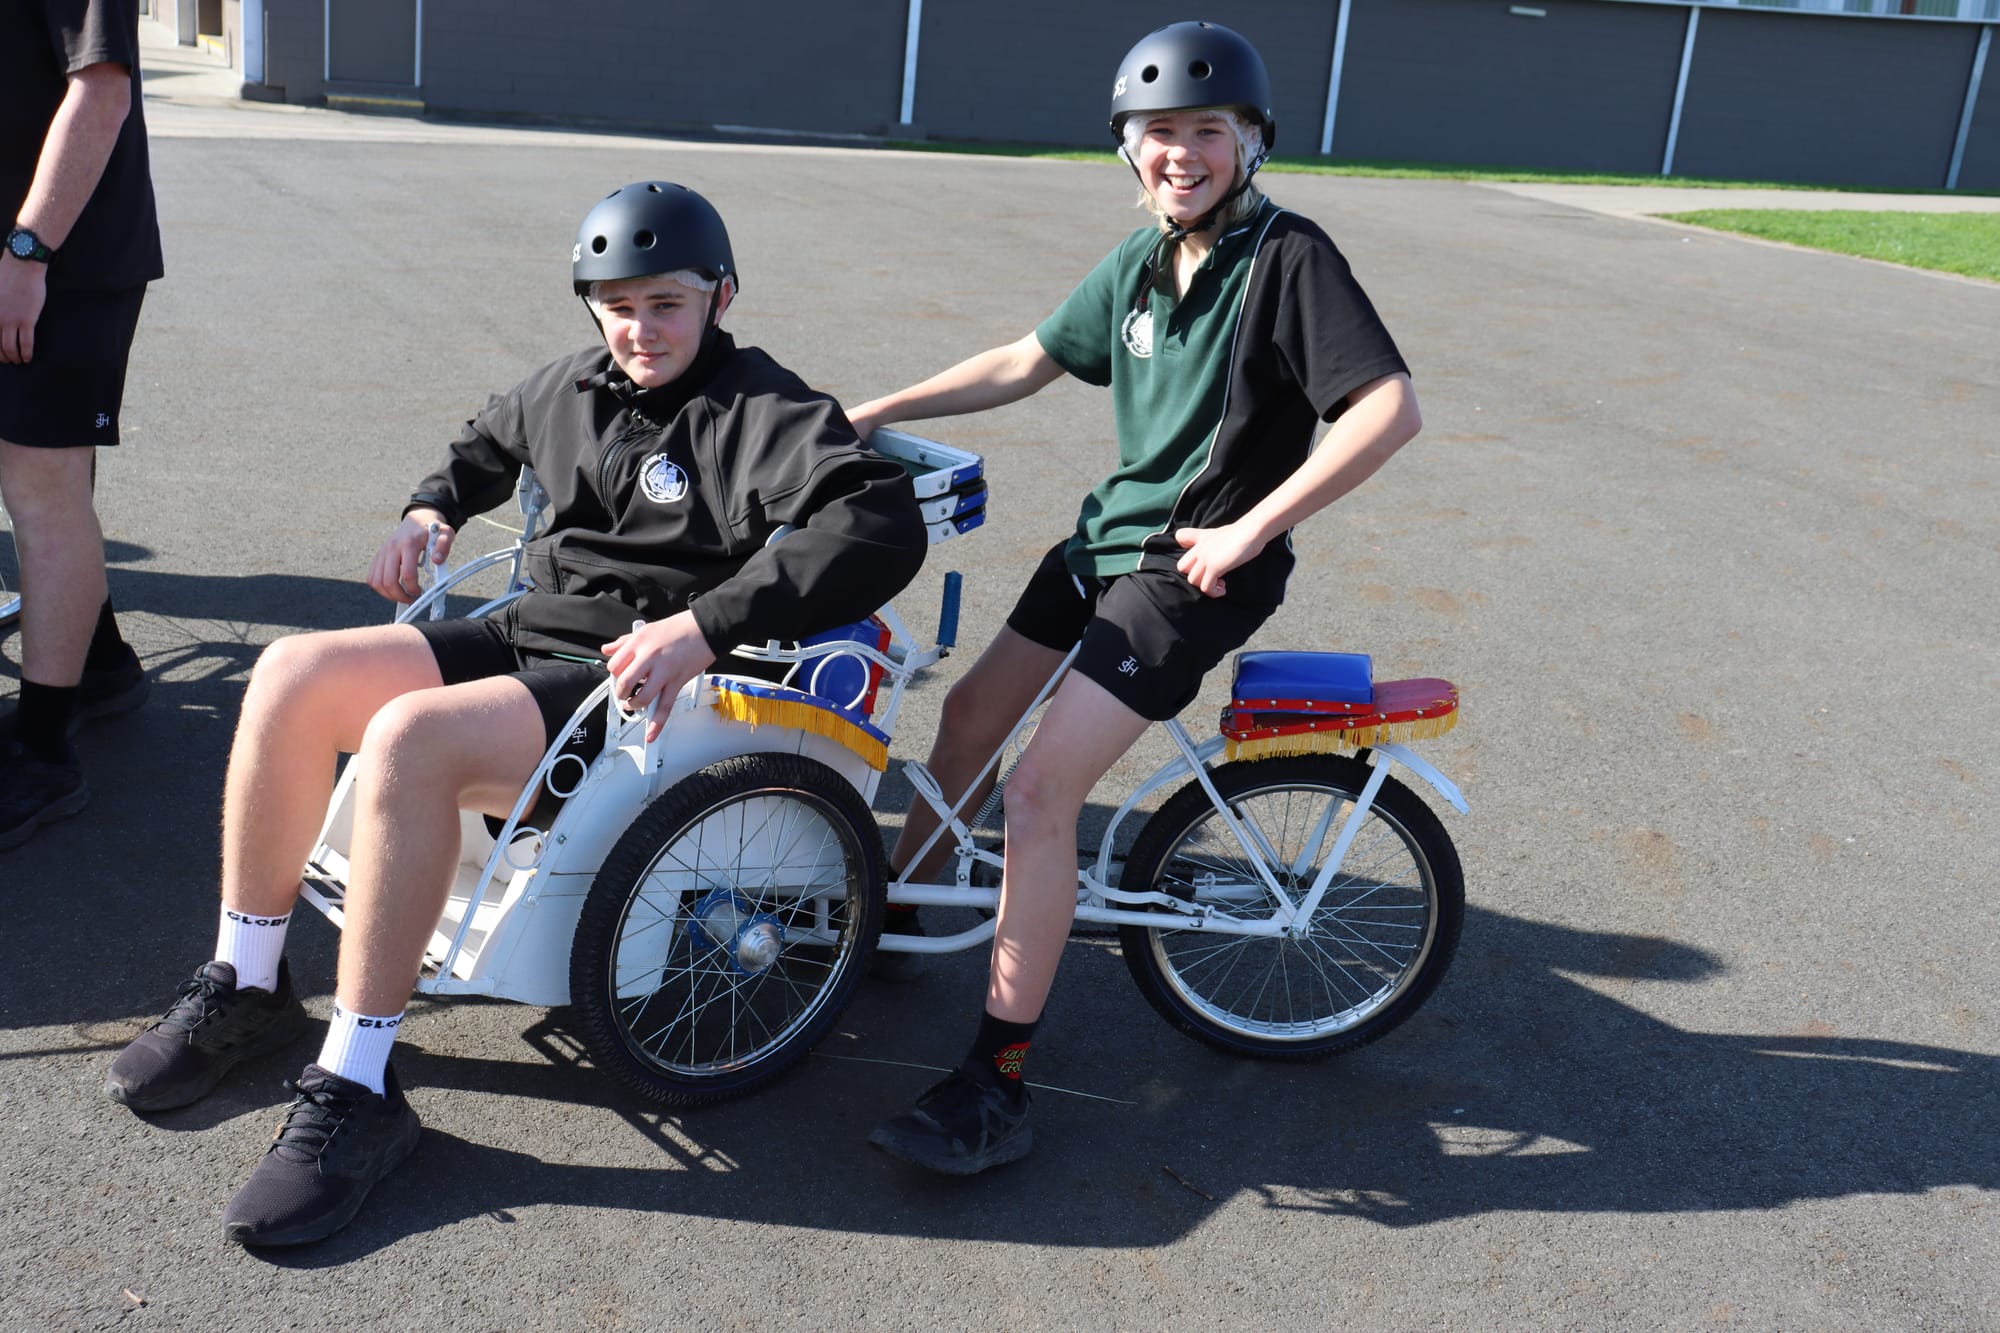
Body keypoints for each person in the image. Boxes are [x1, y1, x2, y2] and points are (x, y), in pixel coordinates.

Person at [103, 181, 928, 1245]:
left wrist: (708, 623)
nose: (639, 329)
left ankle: (357, 1085)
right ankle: (250, 980)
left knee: (409, 737)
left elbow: (875, 522)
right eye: (616, 304)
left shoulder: (764, 410)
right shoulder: (569, 385)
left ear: (720, 295)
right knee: (292, 673)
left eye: (666, 304)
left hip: (636, 680)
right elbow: (485, 439)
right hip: (529, 631)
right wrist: (429, 506)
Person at [844, 21, 1423, 1175]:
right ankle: (901, 918)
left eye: (1205, 132)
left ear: (1249, 142)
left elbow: (1386, 409)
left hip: (1193, 571)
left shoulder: (1288, 258)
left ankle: (998, 1080)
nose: (1179, 155)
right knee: (964, 718)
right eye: (1157, 135)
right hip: (1105, 543)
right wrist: (872, 410)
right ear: (1128, 150)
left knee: (1044, 792)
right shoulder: (1143, 260)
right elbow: (1026, 358)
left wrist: (1257, 524)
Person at [0, 0, 159, 851]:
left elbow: (100, 92)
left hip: (55, 258)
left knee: (42, 487)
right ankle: (95, 663)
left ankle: (43, 749)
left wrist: (28, 254)